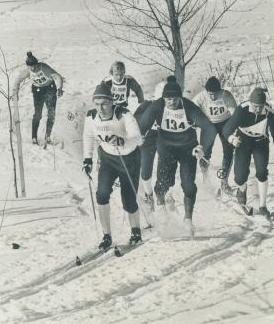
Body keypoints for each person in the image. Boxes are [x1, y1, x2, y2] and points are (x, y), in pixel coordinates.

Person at [137, 79, 216, 235]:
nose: (171, 102)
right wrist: (136, 138)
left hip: (187, 149)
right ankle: (163, 214)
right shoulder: (158, 105)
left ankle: (188, 220)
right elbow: (141, 125)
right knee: (161, 185)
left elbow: (209, 127)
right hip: (166, 148)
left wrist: (202, 147)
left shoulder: (188, 107)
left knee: (188, 185)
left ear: (180, 98)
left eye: (174, 99)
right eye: (168, 99)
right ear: (163, 98)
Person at [82, 82, 143, 250]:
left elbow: (138, 138)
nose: (100, 108)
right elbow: (88, 136)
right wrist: (87, 160)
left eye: (104, 104)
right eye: (97, 104)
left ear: (112, 102)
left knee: (128, 199)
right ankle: (106, 235)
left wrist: (123, 140)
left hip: (129, 158)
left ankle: (136, 231)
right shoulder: (91, 117)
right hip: (108, 158)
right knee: (101, 194)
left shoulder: (124, 114)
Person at [222, 87, 274, 219]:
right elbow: (226, 129)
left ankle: (263, 206)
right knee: (239, 176)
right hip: (243, 141)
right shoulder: (242, 109)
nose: (258, 109)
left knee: (262, 172)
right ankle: (242, 189)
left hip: (260, 142)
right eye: (255, 106)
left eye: (260, 106)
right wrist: (232, 139)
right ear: (250, 103)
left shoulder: (269, 112)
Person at [134, 75, 177, 211]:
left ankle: (166, 193)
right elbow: (134, 123)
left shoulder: (173, 106)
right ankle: (149, 194)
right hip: (149, 138)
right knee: (145, 170)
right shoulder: (147, 105)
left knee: (166, 165)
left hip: (164, 136)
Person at [193, 76, 237, 193]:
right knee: (204, 152)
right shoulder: (201, 97)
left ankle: (224, 182)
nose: (212, 97)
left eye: (215, 94)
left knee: (228, 151)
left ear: (220, 91)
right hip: (209, 124)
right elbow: (191, 110)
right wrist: (196, 121)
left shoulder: (226, 95)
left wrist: (234, 129)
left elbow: (235, 115)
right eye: (210, 94)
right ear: (206, 91)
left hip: (225, 123)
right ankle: (206, 180)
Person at [13, 51, 64, 145]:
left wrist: (60, 88)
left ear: (37, 64)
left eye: (34, 66)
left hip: (50, 89)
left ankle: (48, 135)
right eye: (30, 67)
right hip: (38, 92)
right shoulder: (28, 71)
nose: (33, 68)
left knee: (51, 113)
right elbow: (17, 81)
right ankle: (34, 137)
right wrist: (15, 93)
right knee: (37, 114)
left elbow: (58, 76)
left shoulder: (44, 67)